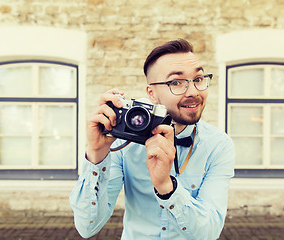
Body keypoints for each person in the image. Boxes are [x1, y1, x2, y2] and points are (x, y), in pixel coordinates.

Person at [69, 39, 235, 240]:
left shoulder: (218, 145)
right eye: (176, 82)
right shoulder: (124, 144)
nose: (193, 92)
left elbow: (209, 233)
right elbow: (88, 227)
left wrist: (166, 186)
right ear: (152, 94)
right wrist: (96, 154)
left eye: (198, 79)